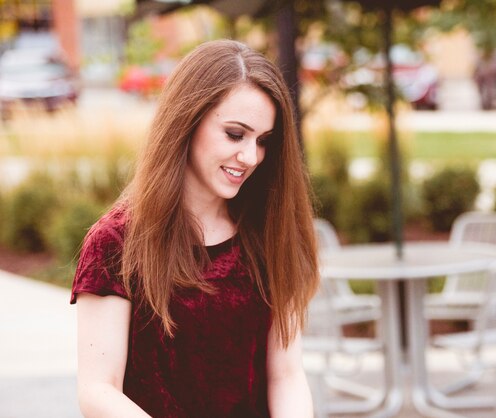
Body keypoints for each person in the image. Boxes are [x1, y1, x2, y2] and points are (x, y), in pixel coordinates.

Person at [71, 39, 319, 417]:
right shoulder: (115, 242)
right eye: (235, 134)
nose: (251, 157)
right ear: (187, 120)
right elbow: (98, 391)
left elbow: (285, 375)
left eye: (264, 141)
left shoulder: (268, 233)